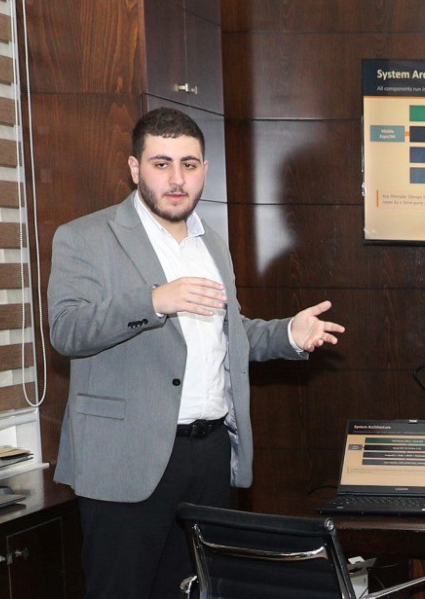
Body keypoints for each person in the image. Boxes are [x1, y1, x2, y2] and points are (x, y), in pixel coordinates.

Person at [47, 107, 345, 599]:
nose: (176, 179)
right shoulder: (85, 237)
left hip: (209, 455)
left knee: (197, 590)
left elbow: (228, 334)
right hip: (127, 459)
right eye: (161, 163)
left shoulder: (213, 245)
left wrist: (288, 334)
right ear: (135, 168)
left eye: (188, 164)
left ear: (205, 169)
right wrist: (153, 300)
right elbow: (66, 330)